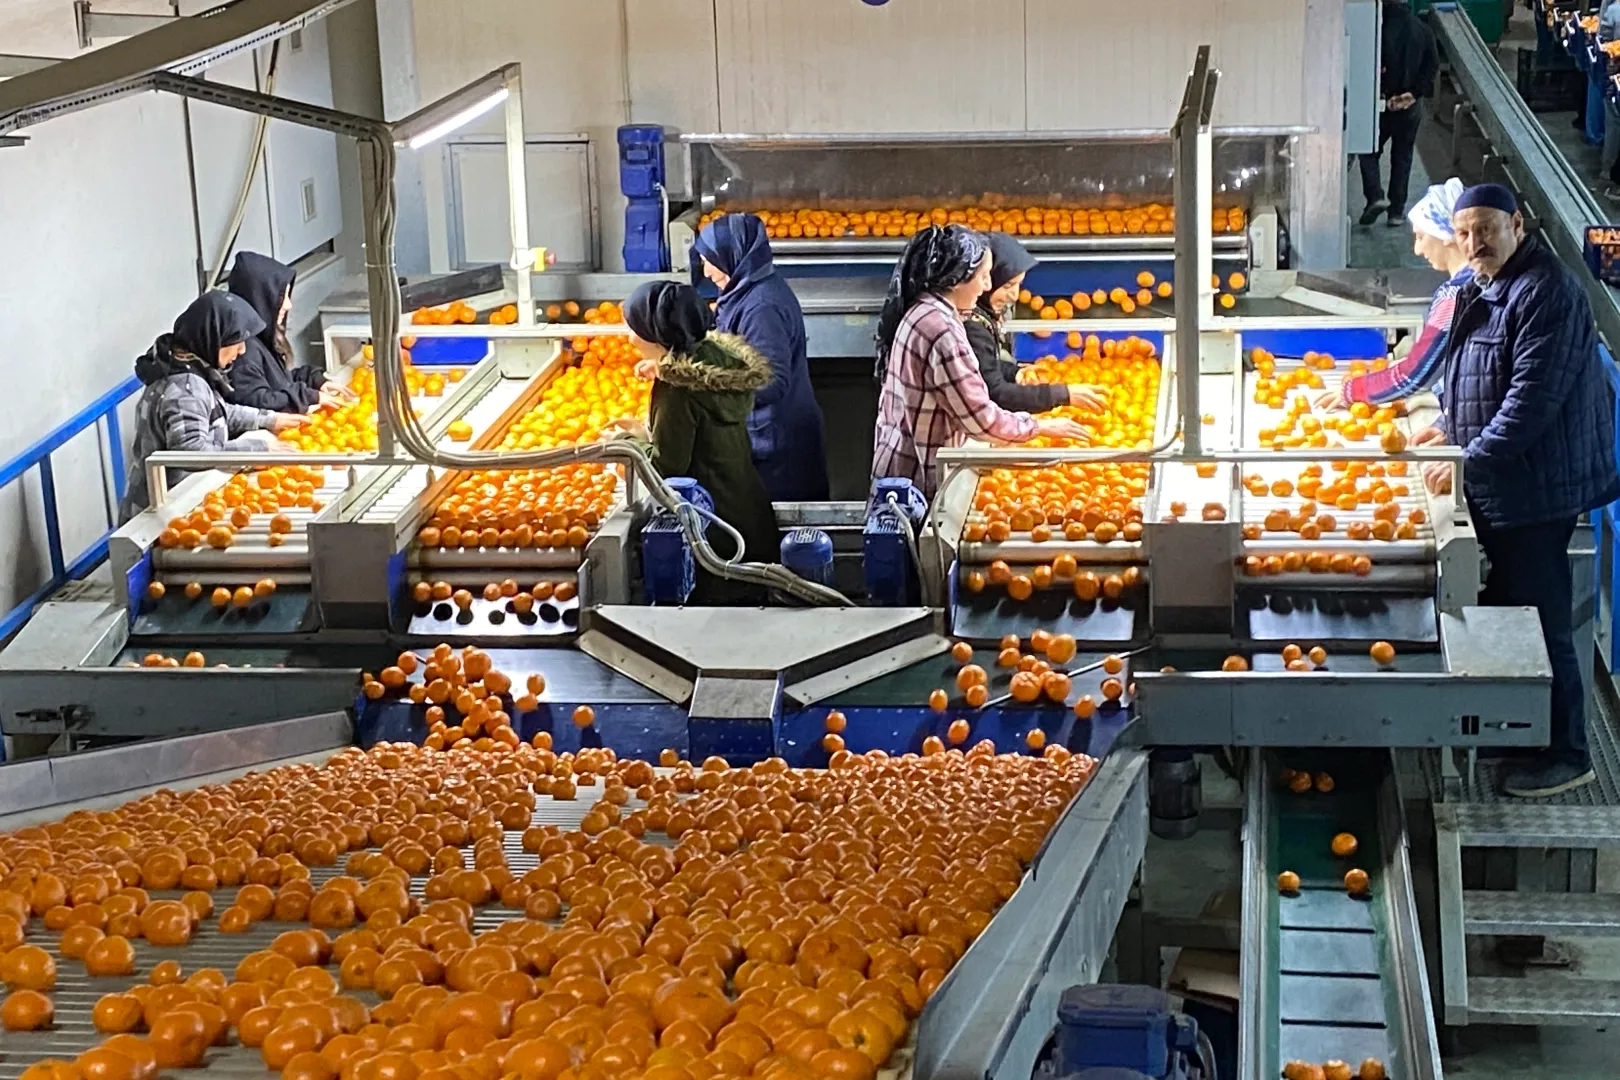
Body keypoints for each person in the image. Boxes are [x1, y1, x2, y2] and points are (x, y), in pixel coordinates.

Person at [1416, 183, 1620, 797]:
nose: (1474, 242)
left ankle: (1568, 752)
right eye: (1464, 233)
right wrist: (1448, 428)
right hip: (1507, 481)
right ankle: (1521, 731)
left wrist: (1467, 459)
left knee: (1541, 616)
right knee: (1509, 605)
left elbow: (1529, 401)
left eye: (1487, 228)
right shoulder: (1487, 286)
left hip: (1538, 487)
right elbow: (1475, 377)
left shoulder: (1547, 294)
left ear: (1517, 225)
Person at [872, 225, 1087, 500]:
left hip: (898, 465)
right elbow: (980, 419)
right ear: (957, 278)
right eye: (984, 276)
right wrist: (1039, 427)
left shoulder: (925, 309)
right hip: (915, 482)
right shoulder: (943, 332)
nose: (987, 286)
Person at [614, 280, 780, 602]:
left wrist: (625, 443)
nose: (629, 337)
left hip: (715, 531)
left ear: (655, 335)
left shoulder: (678, 390)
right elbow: (700, 435)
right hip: (749, 514)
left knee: (724, 615)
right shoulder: (717, 363)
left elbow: (666, 468)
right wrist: (648, 430)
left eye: (633, 328)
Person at [120, 292, 311, 520]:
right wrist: (258, 450)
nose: (242, 350)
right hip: (161, 514)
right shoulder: (185, 388)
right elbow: (192, 452)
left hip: (182, 502)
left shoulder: (189, 367)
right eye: (236, 341)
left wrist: (270, 419)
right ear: (214, 338)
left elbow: (218, 411)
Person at [692, 214, 830, 502]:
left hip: (778, 446)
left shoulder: (762, 307)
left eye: (709, 260)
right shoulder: (743, 291)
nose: (706, 271)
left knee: (781, 523)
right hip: (766, 436)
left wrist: (711, 390)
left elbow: (771, 380)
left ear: (732, 256)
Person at [1318, 178, 1471, 410]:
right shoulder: (1484, 280)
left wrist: (1352, 391)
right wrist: (1439, 395)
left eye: (1421, 237)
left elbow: (1413, 374)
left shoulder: (1455, 295)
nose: (1417, 250)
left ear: (1446, 237)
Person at [964, 233, 1110, 414]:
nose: (1014, 295)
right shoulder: (972, 326)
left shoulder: (980, 314)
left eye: (1019, 284)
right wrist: (1062, 395)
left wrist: (1014, 373)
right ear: (986, 280)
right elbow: (995, 393)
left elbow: (982, 366)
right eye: (1007, 286)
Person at [226, 252, 356, 413]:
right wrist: (307, 396)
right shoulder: (243, 350)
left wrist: (315, 381)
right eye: (281, 298)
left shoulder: (261, 338)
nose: (288, 305)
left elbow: (279, 381)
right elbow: (258, 402)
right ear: (260, 298)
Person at [1357, 0, 1439, 227]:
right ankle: (1396, 212)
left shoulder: (1376, 26)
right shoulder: (1423, 29)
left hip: (1381, 103)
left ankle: (1375, 195)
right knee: (1402, 156)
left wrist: (1383, 92)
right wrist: (1413, 94)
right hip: (1410, 106)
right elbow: (1432, 64)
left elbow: (1369, 62)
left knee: (1368, 150)